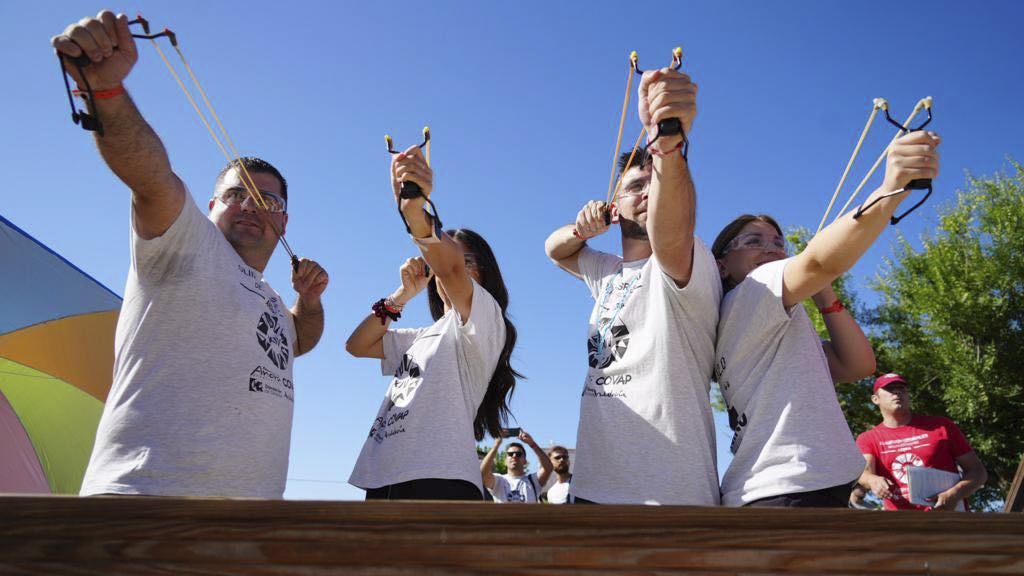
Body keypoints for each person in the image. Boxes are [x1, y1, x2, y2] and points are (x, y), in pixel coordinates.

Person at [54, 11, 329, 498]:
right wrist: (106, 92)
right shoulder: (186, 242)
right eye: (235, 195)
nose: (250, 206)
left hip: (248, 531)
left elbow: (297, 342)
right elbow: (151, 178)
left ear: (284, 222)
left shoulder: (265, 297)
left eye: (268, 201)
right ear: (209, 207)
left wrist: (307, 301)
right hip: (143, 504)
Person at [712, 129, 942, 507]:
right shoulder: (754, 288)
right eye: (753, 241)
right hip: (792, 483)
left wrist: (823, 289)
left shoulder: (755, 323)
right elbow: (820, 259)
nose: (771, 249)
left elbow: (857, 365)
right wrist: (893, 185)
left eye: (777, 242)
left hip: (784, 484)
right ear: (722, 266)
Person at [544, 67, 721, 505]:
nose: (646, 193)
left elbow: (672, 228)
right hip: (594, 489)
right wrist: (585, 227)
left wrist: (668, 144)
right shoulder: (605, 270)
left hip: (673, 490)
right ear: (615, 205)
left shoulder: (687, 256)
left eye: (653, 184)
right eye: (635, 186)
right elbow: (554, 249)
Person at [345, 143, 521, 500]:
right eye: (437, 255)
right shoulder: (422, 336)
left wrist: (415, 214)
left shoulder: (485, 319)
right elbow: (357, 345)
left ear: (484, 272)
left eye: (465, 258)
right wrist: (400, 297)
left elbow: (451, 268)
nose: (447, 265)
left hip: (440, 478)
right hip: (384, 474)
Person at [856, 373, 987, 511]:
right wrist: (872, 481)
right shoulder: (868, 438)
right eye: (890, 389)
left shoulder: (941, 426)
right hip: (900, 525)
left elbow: (978, 472)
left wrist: (955, 494)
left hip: (948, 520)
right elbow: (864, 473)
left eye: (902, 389)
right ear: (875, 399)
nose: (897, 392)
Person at [480, 431, 553, 503]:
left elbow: (548, 468)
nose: (514, 456)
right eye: (510, 454)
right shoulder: (498, 480)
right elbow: (482, 474)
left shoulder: (533, 480)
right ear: (505, 461)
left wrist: (532, 444)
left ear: (525, 461)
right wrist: (496, 445)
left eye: (518, 454)